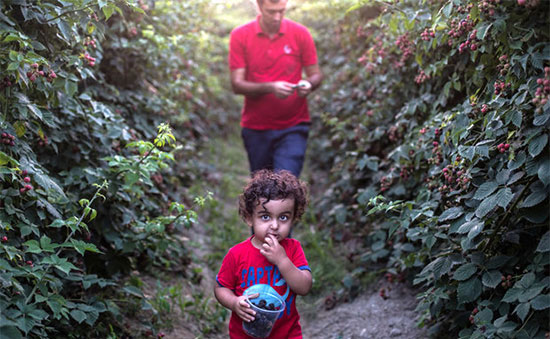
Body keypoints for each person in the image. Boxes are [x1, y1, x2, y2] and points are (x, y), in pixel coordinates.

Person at [229, 0, 323, 178]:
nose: (277, 17)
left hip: (294, 126)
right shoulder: (240, 35)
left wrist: (309, 84)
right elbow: (237, 84)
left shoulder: (300, 33)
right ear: (259, 6)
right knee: (262, 192)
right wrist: (270, 87)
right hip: (256, 128)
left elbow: (316, 75)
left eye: (281, 11)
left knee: (286, 187)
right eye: (271, 12)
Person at [214, 169, 312, 338]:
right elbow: (221, 288)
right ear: (249, 218)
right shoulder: (237, 254)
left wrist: (282, 261)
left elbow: (304, 287)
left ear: (293, 218)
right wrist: (234, 302)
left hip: (287, 334)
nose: (274, 226)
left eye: (283, 217)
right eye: (265, 217)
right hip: (245, 334)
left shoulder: (293, 249)